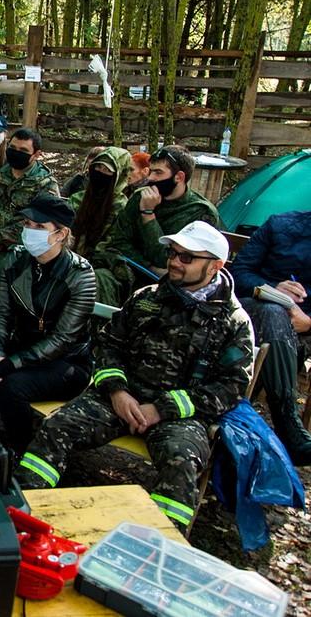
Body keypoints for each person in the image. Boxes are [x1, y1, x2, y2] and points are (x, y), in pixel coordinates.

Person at [17, 222, 255, 532]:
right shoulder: (146, 298)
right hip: (120, 400)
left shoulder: (234, 322)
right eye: (172, 253)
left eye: (186, 257)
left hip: (179, 417)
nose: (174, 262)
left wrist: (162, 409)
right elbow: (108, 345)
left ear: (215, 266)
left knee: (181, 461)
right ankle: (21, 515)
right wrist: (117, 391)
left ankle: (160, 544)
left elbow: (231, 387)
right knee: (55, 427)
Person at [0, 194, 95, 455]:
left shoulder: (80, 275)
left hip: (66, 363)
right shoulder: (15, 261)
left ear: (61, 234)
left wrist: (9, 364)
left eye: (39, 226)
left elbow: (62, 339)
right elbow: (1, 314)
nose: (29, 231)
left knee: (12, 388)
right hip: (21, 349)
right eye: (27, 224)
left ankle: (21, 452)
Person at [92, 145, 220, 307]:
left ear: (179, 177)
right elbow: (119, 241)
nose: (151, 178)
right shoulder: (140, 197)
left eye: (158, 173)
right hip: (128, 271)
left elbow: (168, 259)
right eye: (151, 171)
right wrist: (149, 266)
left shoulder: (200, 212)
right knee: (97, 280)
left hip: (173, 283)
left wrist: (148, 214)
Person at [231, 211, 311, 465]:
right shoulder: (280, 225)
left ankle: (236, 425)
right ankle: (288, 425)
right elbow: (238, 272)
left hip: (302, 331)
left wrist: (309, 323)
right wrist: (272, 287)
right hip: (253, 312)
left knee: (274, 328)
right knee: (272, 312)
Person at [0, 128, 60, 266]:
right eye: (12, 148)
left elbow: (43, 227)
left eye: (23, 150)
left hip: (22, 257)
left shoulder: (45, 185)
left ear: (36, 155)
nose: (16, 153)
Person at [69, 146, 132, 260]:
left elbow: (112, 244)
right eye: (98, 167)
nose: (100, 172)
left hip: (101, 263)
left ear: (119, 176)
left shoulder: (122, 208)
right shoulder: (78, 199)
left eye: (107, 170)